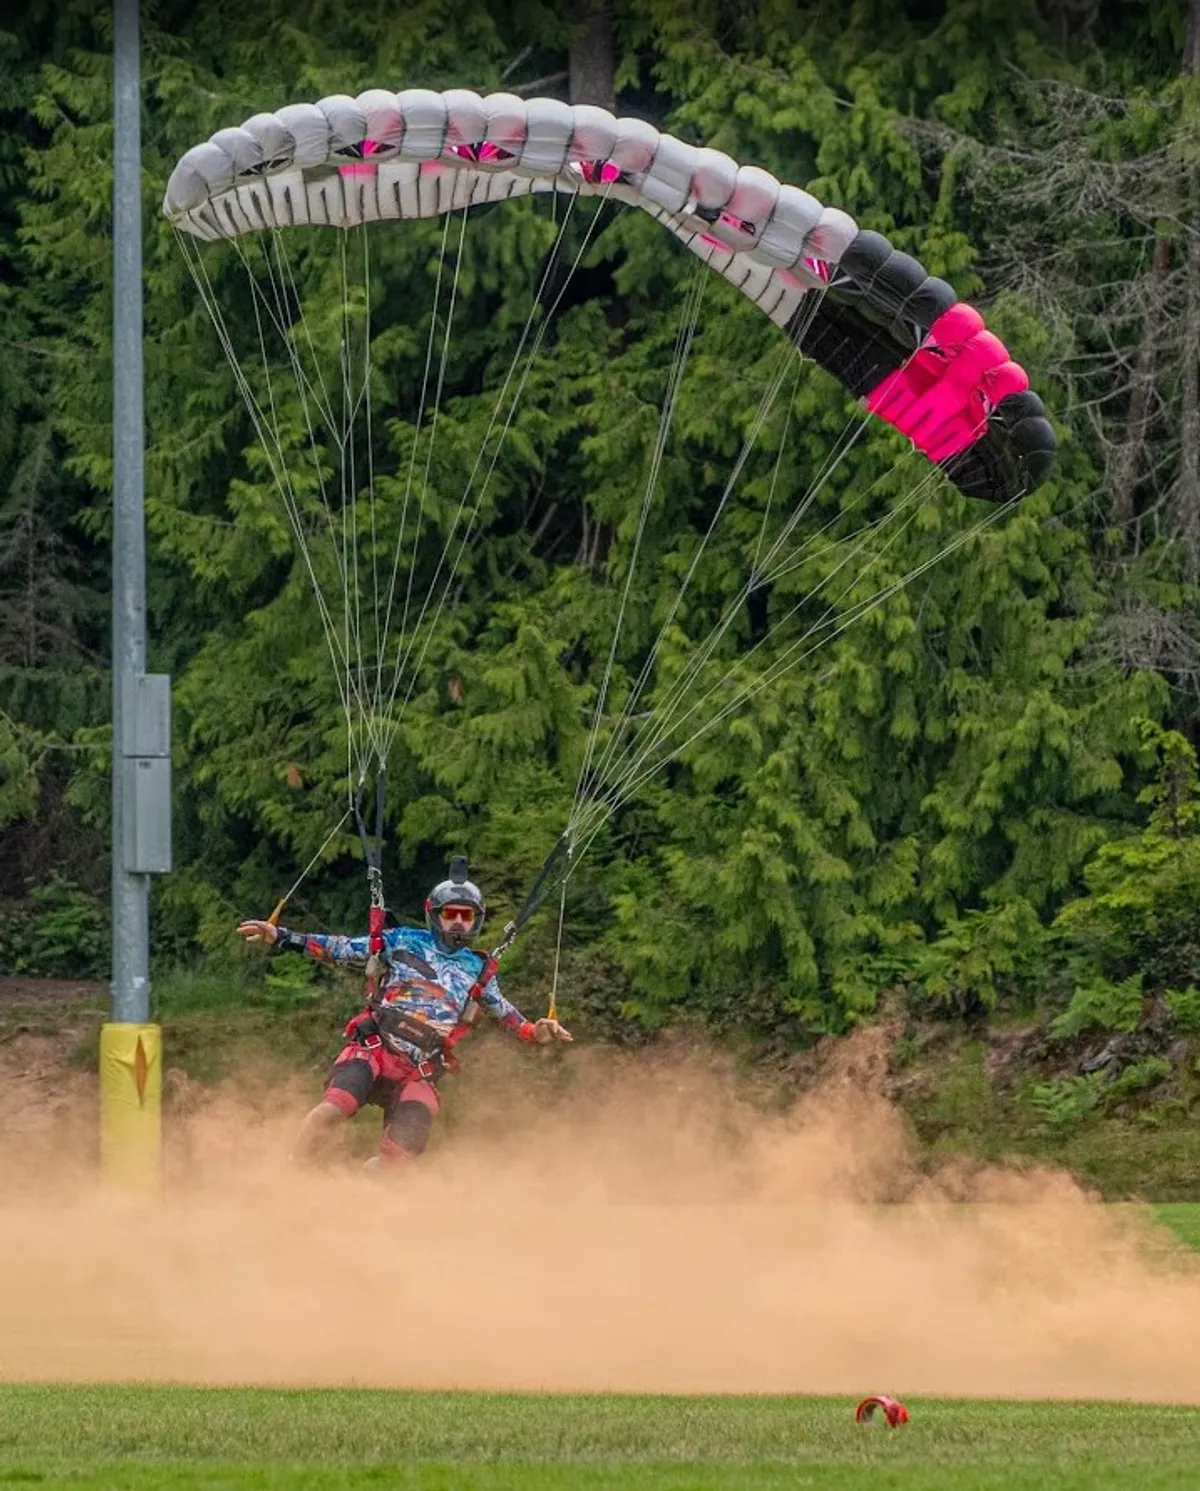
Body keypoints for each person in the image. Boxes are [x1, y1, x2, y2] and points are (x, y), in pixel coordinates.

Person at [237, 862, 571, 1170]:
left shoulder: (478, 969)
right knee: (334, 1107)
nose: (458, 922)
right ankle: (292, 1170)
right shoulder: (402, 941)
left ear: (477, 920)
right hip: (376, 1048)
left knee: (401, 1156)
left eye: (466, 916)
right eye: (451, 914)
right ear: (435, 915)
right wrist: (281, 937)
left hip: (420, 1070)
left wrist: (537, 1032)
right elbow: (340, 948)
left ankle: (362, 1193)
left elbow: (511, 1018)